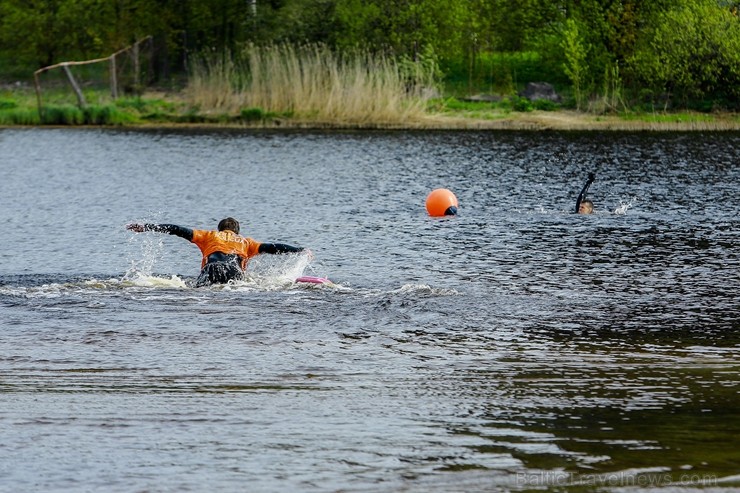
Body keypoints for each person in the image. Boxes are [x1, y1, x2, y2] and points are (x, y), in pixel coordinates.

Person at [126, 217, 307, 286]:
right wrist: (300, 250)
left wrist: (146, 227)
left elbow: (176, 229)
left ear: (220, 229)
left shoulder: (209, 235)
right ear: (237, 231)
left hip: (211, 269)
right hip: (233, 272)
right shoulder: (247, 242)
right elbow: (274, 247)